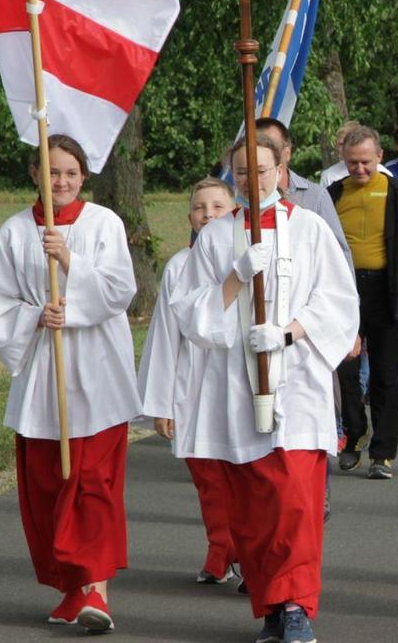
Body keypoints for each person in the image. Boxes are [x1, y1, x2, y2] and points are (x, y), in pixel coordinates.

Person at [167, 133, 358, 643]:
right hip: (235, 384)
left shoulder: (310, 229)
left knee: (294, 496)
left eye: (263, 168)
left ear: (282, 168)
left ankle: (297, 603)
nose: (253, 179)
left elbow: (338, 302)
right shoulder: (213, 237)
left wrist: (289, 332)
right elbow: (190, 314)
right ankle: (272, 603)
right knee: (252, 506)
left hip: (295, 383)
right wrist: (234, 279)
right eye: (243, 171)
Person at [0, 135, 139, 632]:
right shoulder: (13, 232)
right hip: (43, 375)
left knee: (91, 482)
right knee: (49, 484)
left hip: (97, 373)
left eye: (70, 172)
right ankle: (73, 588)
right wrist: (35, 314)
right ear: (35, 174)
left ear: (83, 176)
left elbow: (119, 290)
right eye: (52, 172)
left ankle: (97, 591)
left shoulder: (103, 223)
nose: (61, 182)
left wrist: (70, 261)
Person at [137, 178, 237, 584]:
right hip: (192, 385)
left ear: (234, 211)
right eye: (200, 207)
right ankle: (221, 547)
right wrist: (160, 402)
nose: (208, 214)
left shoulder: (250, 261)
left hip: (238, 382)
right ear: (189, 217)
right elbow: (165, 334)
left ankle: (244, 551)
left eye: (218, 205)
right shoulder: (179, 266)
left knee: (241, 476)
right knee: (208, 478)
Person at [328, 126, 398, 479]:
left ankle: (383, 452)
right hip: (345, 293)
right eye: (352, 163)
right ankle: (355, 434)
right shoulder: (332, 194)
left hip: (387, 291)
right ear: (344, 161)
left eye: (366, 163)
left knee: (386, 375)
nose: (359, 170)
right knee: (344, 369)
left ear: (379, 158)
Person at [255, 117, 352, 265]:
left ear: (287, 153)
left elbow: (338, 253)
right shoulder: (238, 199)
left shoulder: (316, 197)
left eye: (272, 148)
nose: (265, 156)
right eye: (257, 149)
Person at [319, 120, 394, 188]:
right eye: (340, 144)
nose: (342, 148)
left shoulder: (384, 174)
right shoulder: (329, 176)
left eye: (346, 143)